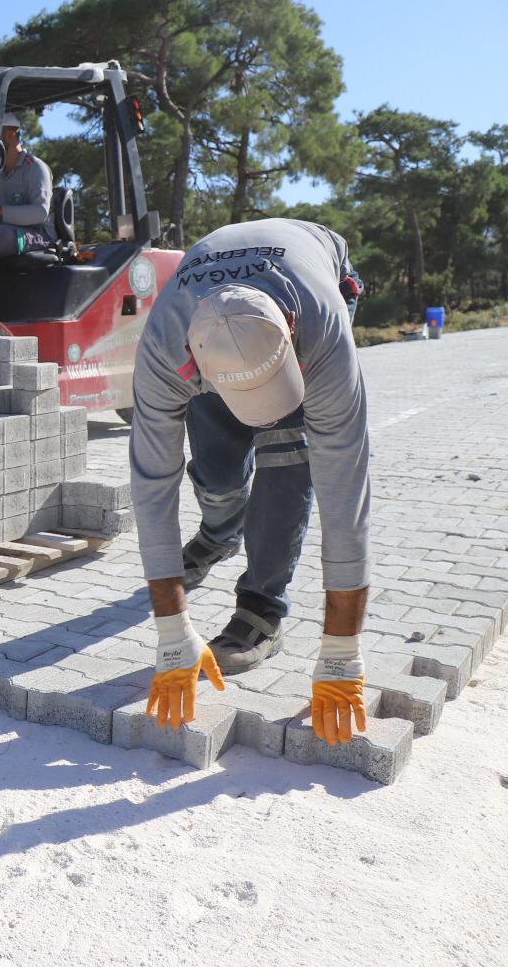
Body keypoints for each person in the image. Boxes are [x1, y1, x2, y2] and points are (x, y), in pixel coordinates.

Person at [129, 218, 371, 746]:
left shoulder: (323, 334)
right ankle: (219, 534)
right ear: (193, 366)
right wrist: (173, 634)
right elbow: (152, 489)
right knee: (215, 464)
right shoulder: (163, 350)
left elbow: (344, 496)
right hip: (211, 320)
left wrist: (341, 651)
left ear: (289, 329)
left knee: (288, 455)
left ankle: (262, 606)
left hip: (309, 270)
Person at [0, 112, 57, 258]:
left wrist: (0, 210)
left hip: (40, 236)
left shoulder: (35, 167)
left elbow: (40, 212)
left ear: (11, 135)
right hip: (9, 231)